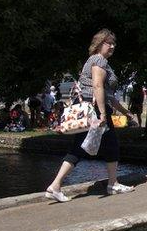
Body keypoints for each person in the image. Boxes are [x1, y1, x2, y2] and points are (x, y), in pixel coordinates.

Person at [44, 29, 138, 203]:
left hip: (94, 107)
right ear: (99, 43)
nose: (112, 46)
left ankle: (55, 186)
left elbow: (108, 94)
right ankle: (113, 184)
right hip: (95, 109)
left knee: (81, 147)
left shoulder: (98, 61)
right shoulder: (98, 60)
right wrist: (102, 113)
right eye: (108, 43)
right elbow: (97, 87)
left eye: (113, 44)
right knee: (111, 146)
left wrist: (125, 112)